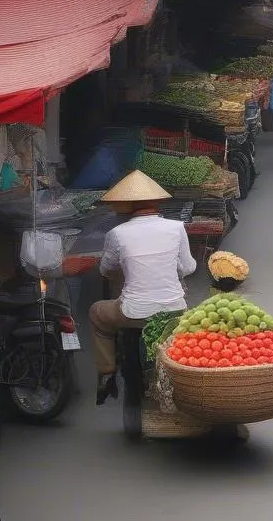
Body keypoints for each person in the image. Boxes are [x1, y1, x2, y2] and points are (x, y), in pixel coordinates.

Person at [89, 171, 197, 405]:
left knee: (97, 313)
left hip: (132, 313)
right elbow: (188, 267)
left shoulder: (116, 234)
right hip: (174, 310)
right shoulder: (177, 227)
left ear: (126, 204)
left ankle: (106, 372)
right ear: (158, 201)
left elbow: (106, 270)